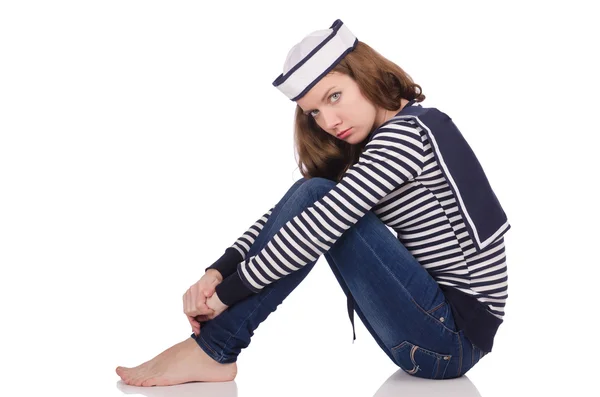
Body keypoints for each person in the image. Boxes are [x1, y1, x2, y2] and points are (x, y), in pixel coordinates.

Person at [116, 19, 510, 387]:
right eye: (315, 112)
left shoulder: (407, 136)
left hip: (450, 342)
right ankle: (212, 350)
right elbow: (290, 215)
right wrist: (220, 270)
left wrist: (225, 296)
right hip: (433, 337)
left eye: (334, 96)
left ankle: (213, 349)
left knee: (319, 201)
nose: (329, 121)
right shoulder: (382, 142)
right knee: (315, 194)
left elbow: (316, 225)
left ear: (366, 75)